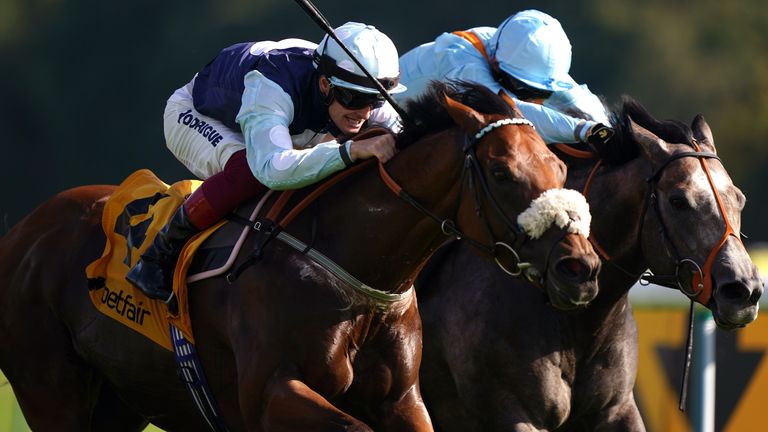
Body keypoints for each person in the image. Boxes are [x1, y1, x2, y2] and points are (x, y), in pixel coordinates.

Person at [126, 22, 407, 305]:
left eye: (375, 101)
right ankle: (159, 254)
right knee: (251, 172)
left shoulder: (355, 89)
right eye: (355, 99)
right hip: (196, 114)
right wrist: (348, 151)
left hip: (276, 125)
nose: (364, 112)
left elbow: (404, 138)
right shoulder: (273, 83)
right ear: (324, 84)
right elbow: (272, 169)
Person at [397, 9, 614, 147]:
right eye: (520, 87)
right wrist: (582, 130)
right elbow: (512, 113)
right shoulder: (460, 60)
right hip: (383, 123)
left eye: (539, 93)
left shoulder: (517, 56)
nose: (528, 96)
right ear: (495, 64)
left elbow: (581, 100)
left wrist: (612, 131)